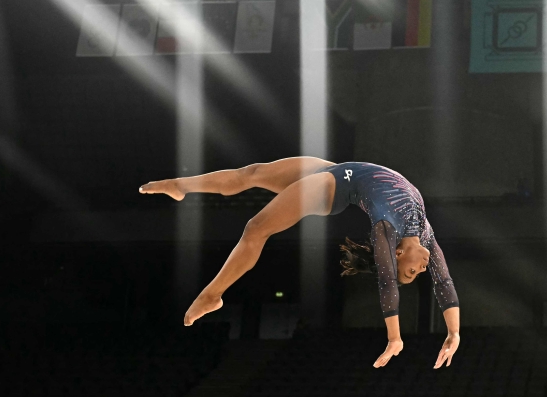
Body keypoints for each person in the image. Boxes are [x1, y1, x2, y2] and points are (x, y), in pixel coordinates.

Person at [139, 157, 460, 368]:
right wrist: (453, 333)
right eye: (417, 272)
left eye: (412, 272)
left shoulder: (385, 230)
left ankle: (212, 295)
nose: (420, 269)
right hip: (340, 170)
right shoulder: (424, 232)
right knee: (251, 173)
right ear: (402, 253)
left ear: (397, 254)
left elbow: (388, 280)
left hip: (334, 188)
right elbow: (443, 281)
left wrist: (394, 337)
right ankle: (181, 186)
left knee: (256, 227)